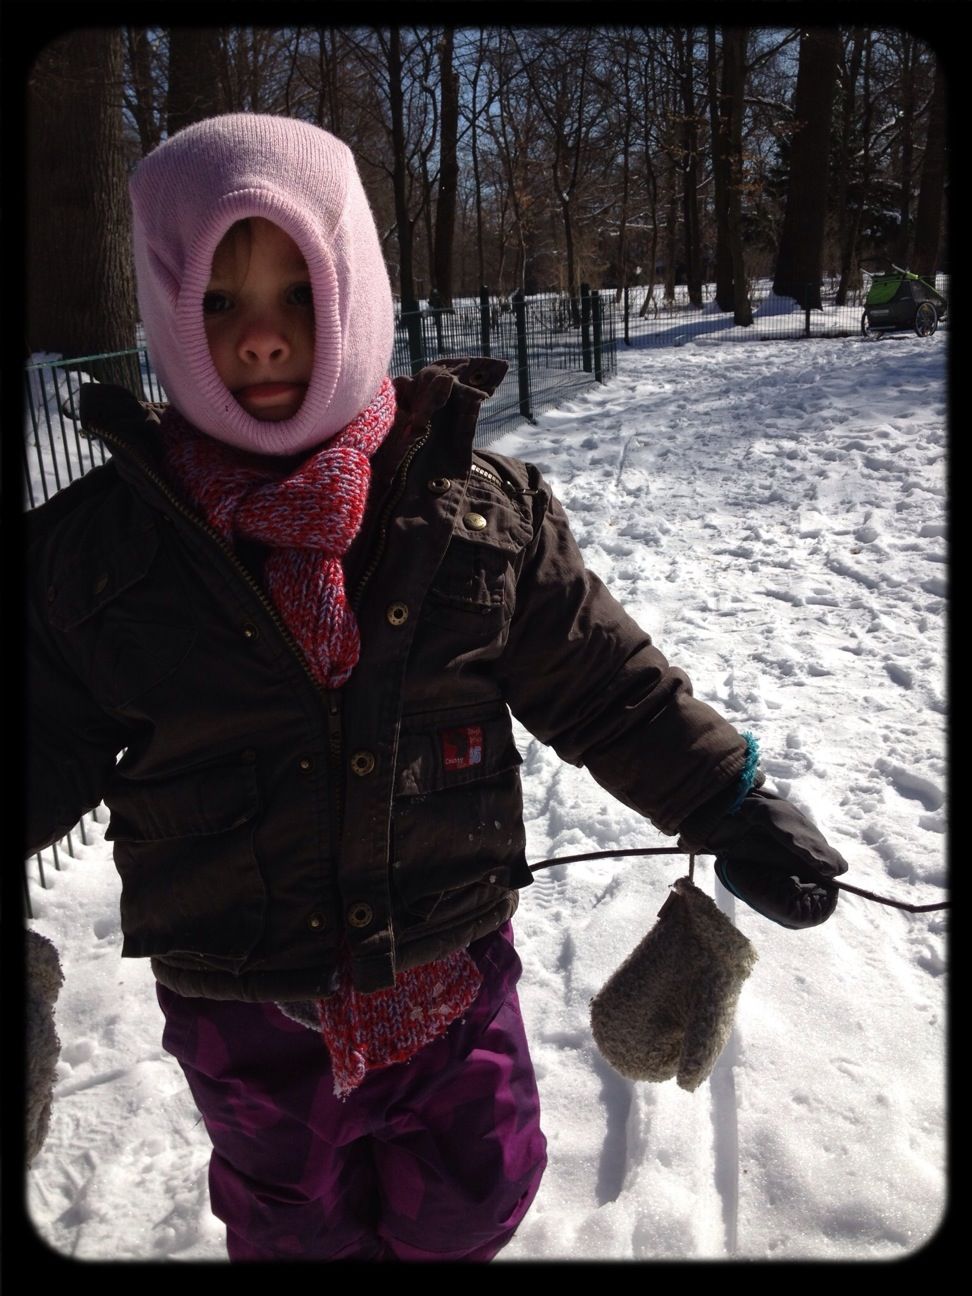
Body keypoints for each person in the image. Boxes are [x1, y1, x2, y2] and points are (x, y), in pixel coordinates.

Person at [25, 114, 849, 1263]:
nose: (261, 339)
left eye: (297, 293)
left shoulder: (477, 513)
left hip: (452, 971)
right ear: (166, 307)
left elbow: (607, 686)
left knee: (475, 1192)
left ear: (352, 284)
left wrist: (727, 799)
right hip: (244, 1003)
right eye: (218, 302)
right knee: (290, 1220)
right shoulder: (98, 556)